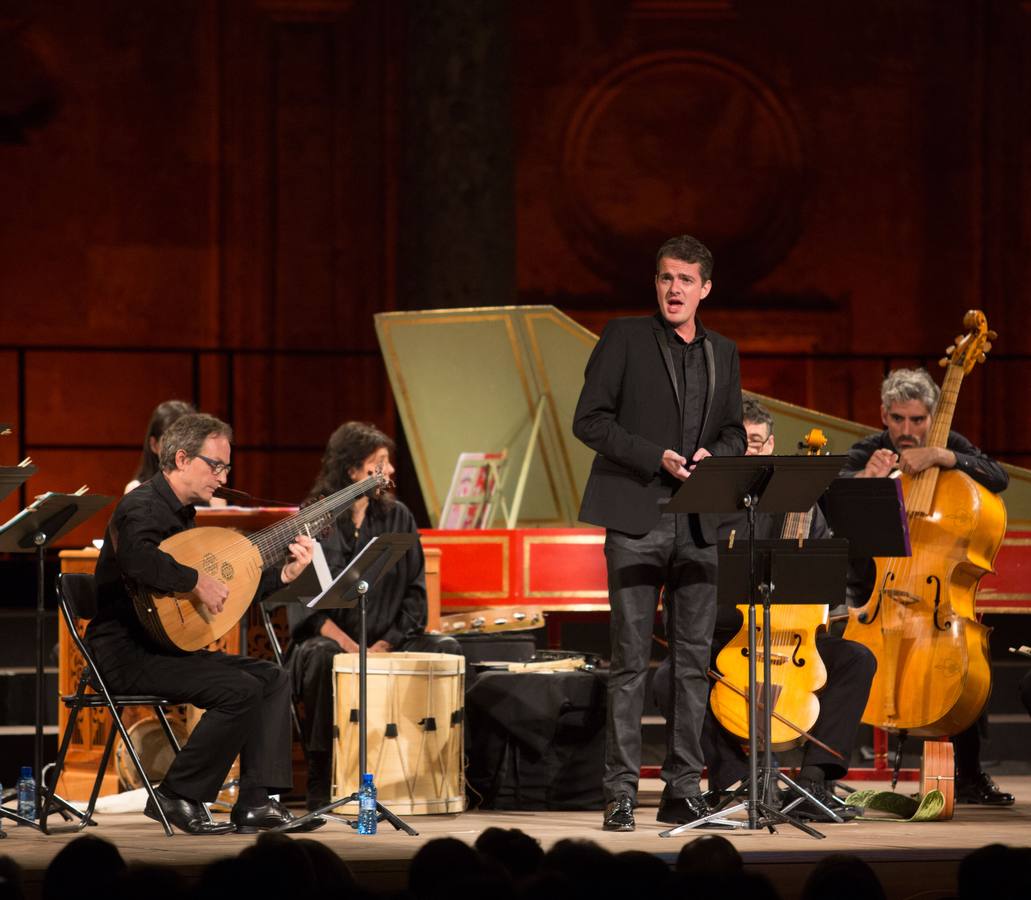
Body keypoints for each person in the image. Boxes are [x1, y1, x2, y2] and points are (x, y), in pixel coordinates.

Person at [572, 234, 746, 831]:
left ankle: (682, 789)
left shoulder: (724, 351)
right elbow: (589, 420)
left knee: (693, 663)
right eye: (667, 278)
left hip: (699, 521)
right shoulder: (624, 337)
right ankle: (620, 794)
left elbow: (735, 432)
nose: (675, 289)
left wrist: (714, 454)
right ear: (656, 283)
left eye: (686, 280)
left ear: (705, 289)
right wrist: (657, 457)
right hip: (636, 519)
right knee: (629, 663)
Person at [87, 413, 324, 835]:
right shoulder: (139, 506)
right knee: (239, 689)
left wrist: (285, 575)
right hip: (124, 653)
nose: (223, 477)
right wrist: (194, 580)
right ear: (181, 459)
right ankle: (176, 795)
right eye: (216, 465)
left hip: (164, 649)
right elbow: (138, 559)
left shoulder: (182, 515)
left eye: (226, 467)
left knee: (271, 677)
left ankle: (256, 802)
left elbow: (227, 588)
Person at [841, 367, 1013, 806]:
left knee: (964, 666)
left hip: (934, 597)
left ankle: (969, 774)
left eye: (917, 420)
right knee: (843, 658)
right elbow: (828, 500)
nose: (907, 430)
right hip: (877, 588)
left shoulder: (949, 444)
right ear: (884, 415)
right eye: (898, 419)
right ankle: (826, 774)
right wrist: (863, 480)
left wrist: (943, 456)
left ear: (932, 418)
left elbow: (998, 477)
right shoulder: (869, 450)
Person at [698, 397, 876, 821]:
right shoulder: (706, 503)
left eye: (757, 442)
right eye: (741, 442)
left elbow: (827, 582)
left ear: (772, 445)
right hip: (729, 636)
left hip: (789, 639)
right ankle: (737, 780)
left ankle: (815, 781)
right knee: (671, 677)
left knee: (857, 660)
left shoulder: (800, 503)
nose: (750, 452)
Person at [288, 421, 460, 810]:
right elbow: (304, 603)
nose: (390, 471)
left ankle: (431, 773)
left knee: (447, 648)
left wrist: (385, 643)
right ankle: (322, 779)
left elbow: (415, 593)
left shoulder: (399, 517)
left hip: (388, 640)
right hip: (331, 641)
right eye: (379, 463)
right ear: (352, 470)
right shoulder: (315, 517)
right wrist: (351, 647)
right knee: (321, 658)